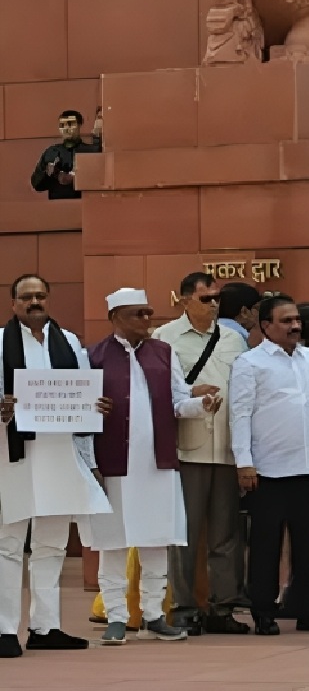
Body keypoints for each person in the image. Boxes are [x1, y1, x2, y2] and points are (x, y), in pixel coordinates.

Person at [86, 288, 220, 645]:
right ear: (115, 318)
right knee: (113, 541)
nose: (148, 320)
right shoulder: (94, 356)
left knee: (157, 539)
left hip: (157, 463)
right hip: (113, 464)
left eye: (149, 312)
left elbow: (179, 400)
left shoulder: (163, 352)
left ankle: (155, 615)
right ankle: (116, 617)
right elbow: (83, 408)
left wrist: (201, 405)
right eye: (139, 314)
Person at [0, 275, 110, 657]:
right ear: (13, 303)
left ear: (49, 300)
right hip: (13, 454)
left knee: (52, 544)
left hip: (60, 453)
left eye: (40, 296)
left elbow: (82, 394)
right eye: (26, 297)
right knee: (10, 545)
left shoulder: (71, 344)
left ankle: (46, 628)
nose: (34, 302)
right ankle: (4, 630)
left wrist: (95, 408)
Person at [231, 294, 309, 636]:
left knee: (307, 543)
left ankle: (307, 608)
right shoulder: (250, 363)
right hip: (266, 469)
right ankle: (263, 611)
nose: (295, 326)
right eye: (286, 321)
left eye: (296, 319)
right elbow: (239, 414)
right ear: (265, 325)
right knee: (266, 544)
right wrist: (243, 463)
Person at [152, 272, 251, 636]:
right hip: (187, 446)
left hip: (225, 445)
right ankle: (184, 607)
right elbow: (155, 392)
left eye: (216, 298)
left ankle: (222, 606)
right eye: (205, 298)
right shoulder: (164, 339)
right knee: (186, 534)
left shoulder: (234, 340)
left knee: (226, 535)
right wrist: (191, 391)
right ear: (183, 300)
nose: (213, 305)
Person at [30, 109, 102, 200]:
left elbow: (100, 180)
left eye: (71, 124)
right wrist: (48, 174)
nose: (66, 128)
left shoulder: (91, 151)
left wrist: (74, 178)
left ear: (80, 125)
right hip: (58, 207)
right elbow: (36, 185)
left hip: (84, 204)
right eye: (62, 125)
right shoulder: (51, 152)